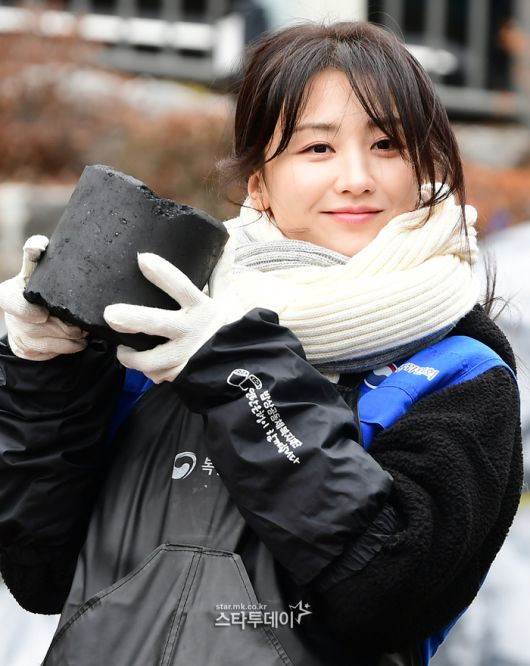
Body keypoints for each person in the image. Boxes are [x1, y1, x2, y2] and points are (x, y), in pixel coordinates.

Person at [0, 21, 523, 666]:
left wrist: (238, 376)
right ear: (259, 184)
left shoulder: (460, 374)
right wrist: (46, 374)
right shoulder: (165, 337)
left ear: (425, 168)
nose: (356, 177)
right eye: (317, 148)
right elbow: (39, 573)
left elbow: (390, 590)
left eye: (386, 144)